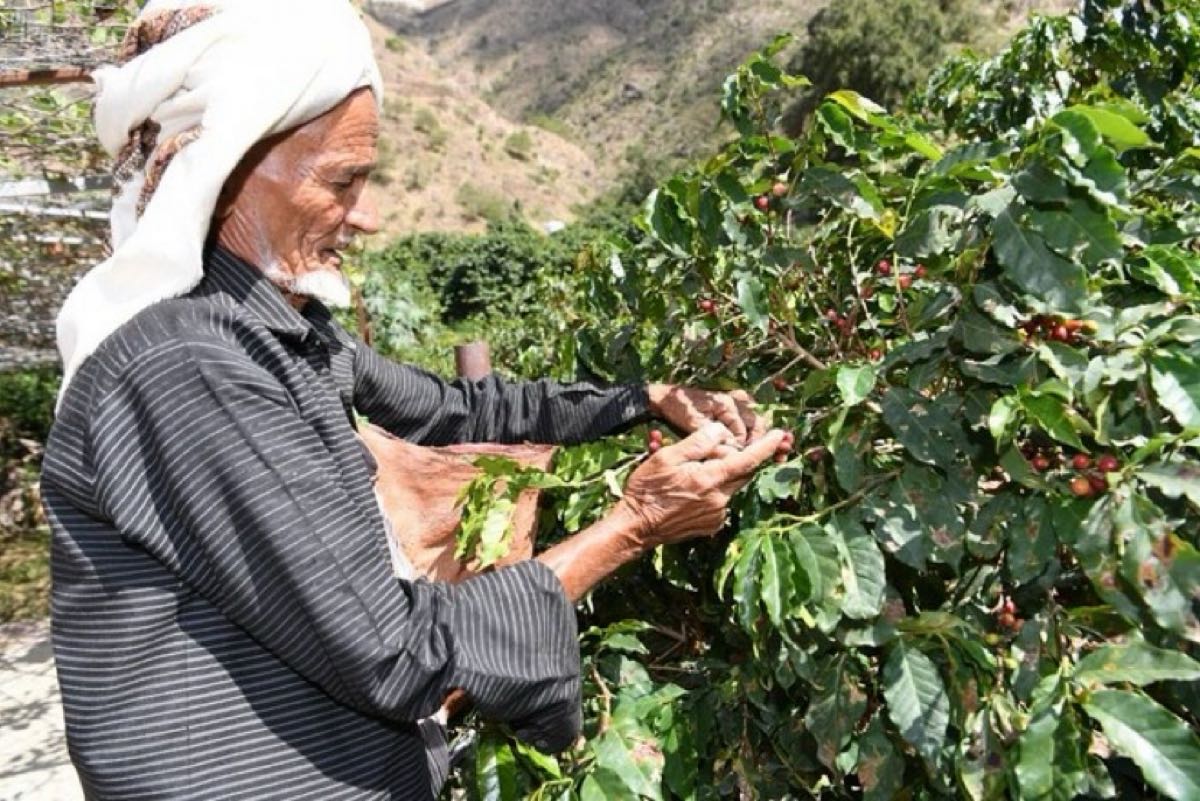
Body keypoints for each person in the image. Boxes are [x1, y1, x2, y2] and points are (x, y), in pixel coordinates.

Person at [40, 1, 788, 798]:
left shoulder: (278, 331)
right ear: (225, 172)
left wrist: (647, 397)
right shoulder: (191, 368)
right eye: (343, 181)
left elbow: (457, 409)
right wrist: (636, 523)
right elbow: (394, 649)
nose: (368, 216)